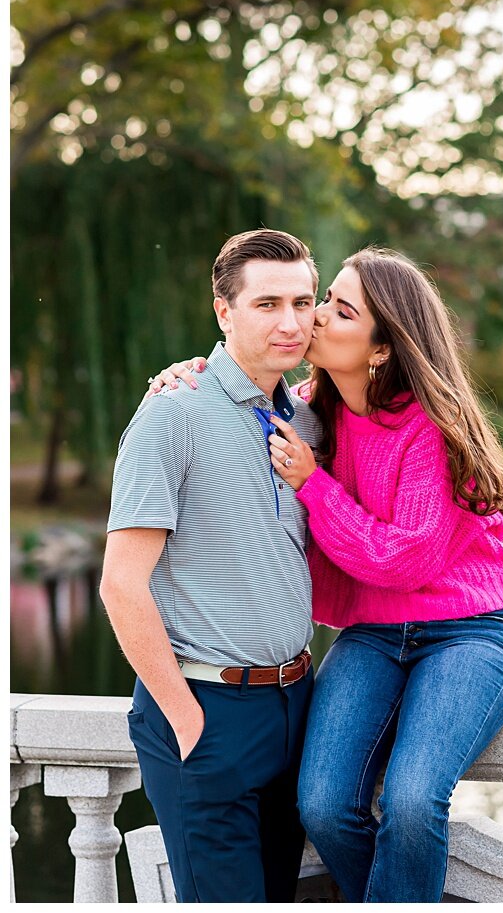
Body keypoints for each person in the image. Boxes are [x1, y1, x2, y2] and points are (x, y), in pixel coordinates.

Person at [151, 246, 503, 903]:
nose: (313, 317)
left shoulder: (426, 428)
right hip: (373, 636)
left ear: (381, 347)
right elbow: (229, 391)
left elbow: (404, 557)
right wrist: (184, 377)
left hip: (471, 634)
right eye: (324, 298)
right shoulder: (302, 412)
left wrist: (313, 483)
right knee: (323, 803)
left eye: (337, 307)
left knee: (412, 800)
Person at [101, 228, 323, 902]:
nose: (291, 321)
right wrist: (184, 716)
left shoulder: (306, 422)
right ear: (224, 311)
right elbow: (120, 584)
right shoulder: (174, 413)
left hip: (295, 705)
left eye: (304, 301)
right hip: (208, 708)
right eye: (267, 304)